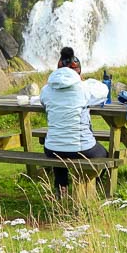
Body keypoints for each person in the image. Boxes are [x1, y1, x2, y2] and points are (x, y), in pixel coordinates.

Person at [38, 47, 110, 194]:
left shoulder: (46, 90)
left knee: (59, 150)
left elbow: (44, 102)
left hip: (51, 148)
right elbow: (104, 91)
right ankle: (88, 187)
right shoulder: (84, 89)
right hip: (82, 148)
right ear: (78, 72)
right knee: (104, 154)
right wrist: (85, 81)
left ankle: (61, 188)